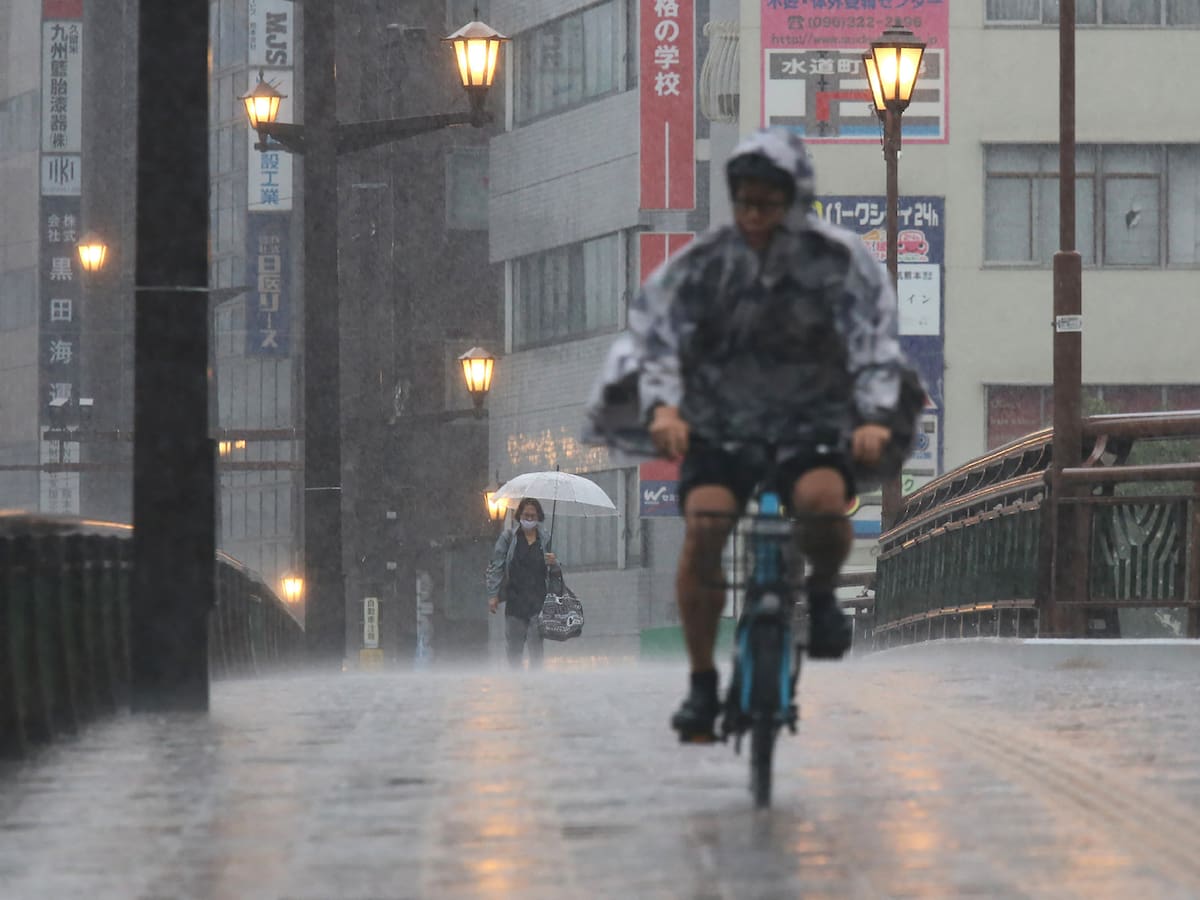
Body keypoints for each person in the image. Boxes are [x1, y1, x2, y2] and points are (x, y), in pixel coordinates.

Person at [585, 128, 916, 742]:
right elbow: (660, 342)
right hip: (721, 429)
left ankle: (822, 595)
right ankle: (702, 682)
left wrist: (872, 418)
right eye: (747, 204)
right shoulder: (704, 270)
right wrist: (665, 410)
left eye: (770, 205)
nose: (757, 217)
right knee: (705, 525)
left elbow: (872, 349)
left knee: (822, 501)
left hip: (806, 426)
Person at [486, 497, 562, 669]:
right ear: (519, 515)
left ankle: (535, 681)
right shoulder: (508, 538)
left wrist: (554, 563)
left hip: (538, 603)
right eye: (526, 515)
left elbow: (556, 571)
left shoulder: (545, 540)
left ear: (538, 517)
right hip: (515, 601)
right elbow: (496, 565)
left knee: (536, 650)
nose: (529, 519)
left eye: (532, 516)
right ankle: (516, 681)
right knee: (514, 651)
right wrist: (493, 595)